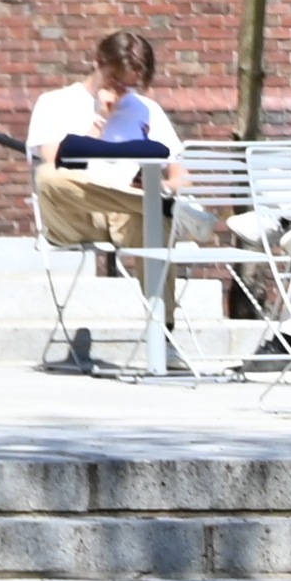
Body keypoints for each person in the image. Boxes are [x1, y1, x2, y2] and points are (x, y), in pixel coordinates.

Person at [29, 28, 180, 363]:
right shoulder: (55, 103)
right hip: (74, 213)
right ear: (97, 62)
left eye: (131, 84)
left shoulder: (147, 110)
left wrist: (167, 187)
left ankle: (164, 337)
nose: (123, 90)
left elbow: (180, 172)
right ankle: (152, 204)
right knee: (49, 176)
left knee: (155, 220)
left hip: (126, 214)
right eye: (116, 79)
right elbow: (58, 160)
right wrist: (101, 119)